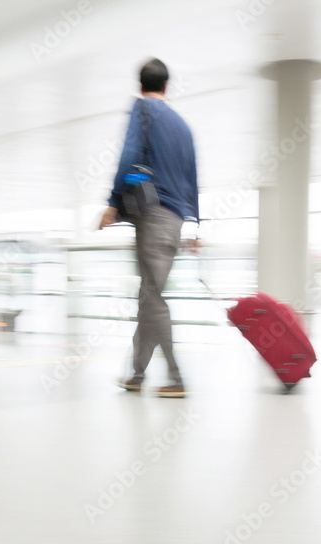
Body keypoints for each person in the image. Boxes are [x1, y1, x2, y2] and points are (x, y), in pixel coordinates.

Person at [99, 58, 200, 398]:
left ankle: (176, 378)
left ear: (141, 85)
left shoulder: (142, 111)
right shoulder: (184, 127)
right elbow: (193, 178)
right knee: (149, 294)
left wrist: (113, 202)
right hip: (176, 219)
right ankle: (137, 374)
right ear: (166, 85)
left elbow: (129, 156)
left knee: (153, 296)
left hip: (153, 214)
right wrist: (194, 224)